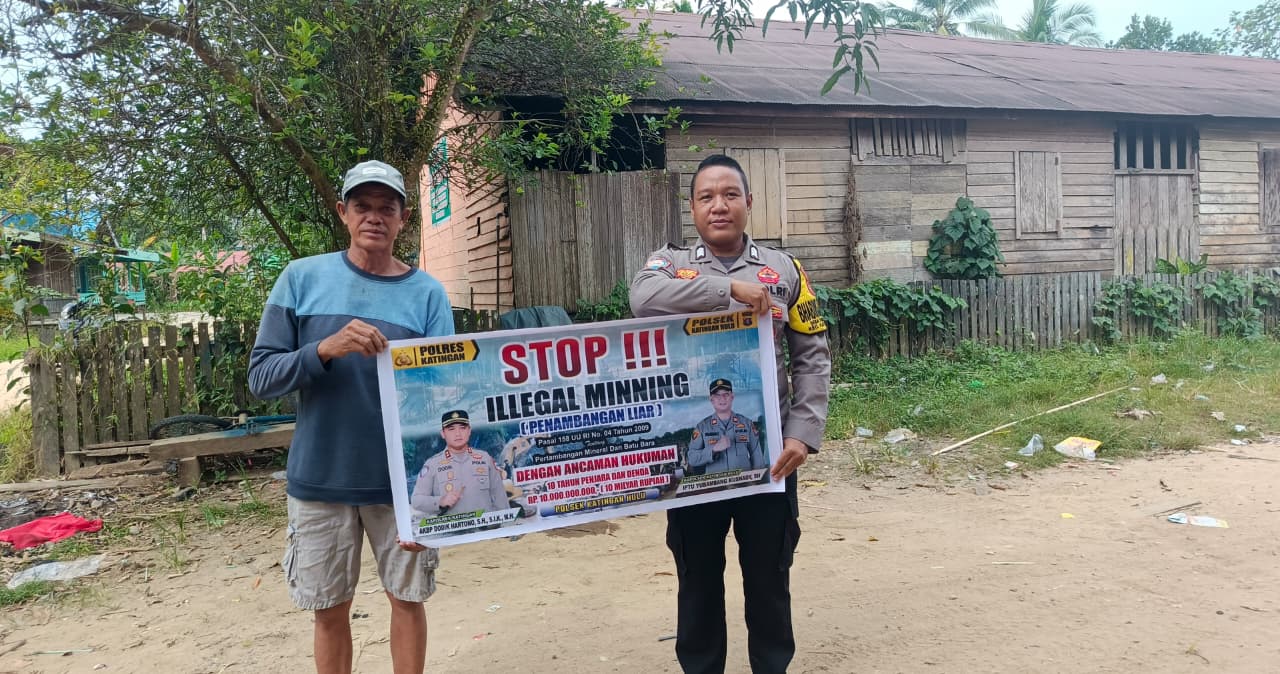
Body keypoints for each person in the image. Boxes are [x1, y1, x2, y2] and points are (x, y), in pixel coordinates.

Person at [248, 160, 455, 674]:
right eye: (362, 206)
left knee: (408, 600)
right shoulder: (301, 279)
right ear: (343, 212)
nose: (375, 218)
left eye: (387, 208)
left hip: (402, 486)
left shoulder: (427, 293)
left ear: (404, 219)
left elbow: (447, 389)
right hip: (321, 477)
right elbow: (262, 378)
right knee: (329, 610)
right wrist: (324, 349)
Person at [630, 154, 831, 674]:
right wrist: (728, 290)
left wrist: (803, 434)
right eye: (706, 197)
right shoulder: (670, 266)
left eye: (730, 195)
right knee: (697, 578)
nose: (719, 205)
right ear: (693, 208)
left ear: (748, 202)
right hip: (700, 461)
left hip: (767, 457)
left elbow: (812, 355)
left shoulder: (785, 271)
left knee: (768, 575)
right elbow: (642, 299)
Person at [410, 410, 509, 517]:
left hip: (484, 529)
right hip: (451, 531)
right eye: (451, 429)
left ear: (469, 430)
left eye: (462, 428)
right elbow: (416, 500)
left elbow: (500, 497)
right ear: (443, 434)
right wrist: (440, 501)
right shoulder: (432, 464)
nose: (458, 434)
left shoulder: (485, 458)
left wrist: (507, 525)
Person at [686, 378, 763, 474]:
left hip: (744, 484)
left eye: (726, 394)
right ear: (711, 399)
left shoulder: (747, 424)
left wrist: (758, 483)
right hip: (715, 486)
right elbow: (692, 458)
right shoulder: (702, 427)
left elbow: (757, 458)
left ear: (732, 396)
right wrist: (713, 450)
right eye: (717, 395)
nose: (722, 398)